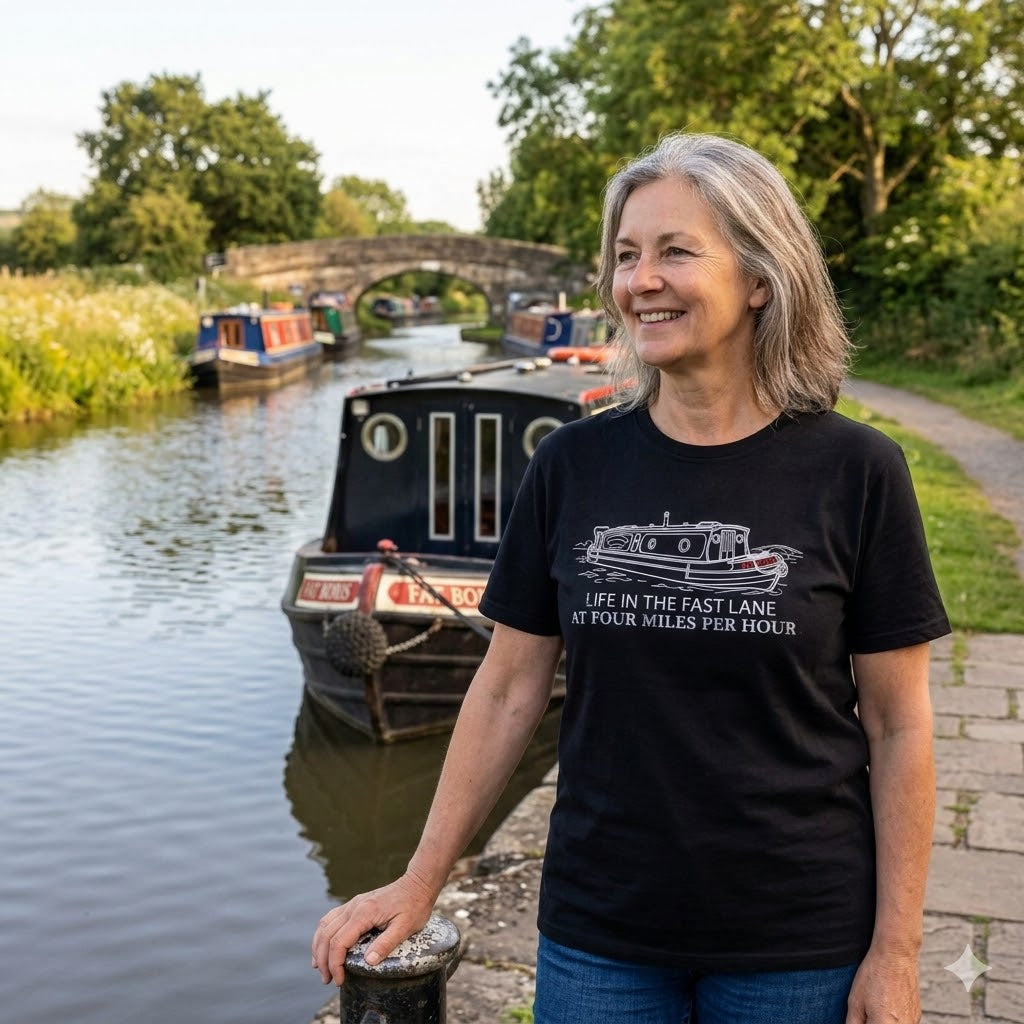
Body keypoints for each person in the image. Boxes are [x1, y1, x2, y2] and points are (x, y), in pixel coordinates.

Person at [312, 132, 950, 1023]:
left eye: (675, 251)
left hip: (798, 941)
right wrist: (422, 880)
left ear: (760, 277)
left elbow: (899, 722)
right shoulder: (573, 464)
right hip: (600, 939)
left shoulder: (858, 472)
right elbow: (505, 690)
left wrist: (897, 951)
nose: (638, 280)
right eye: (624, 255)